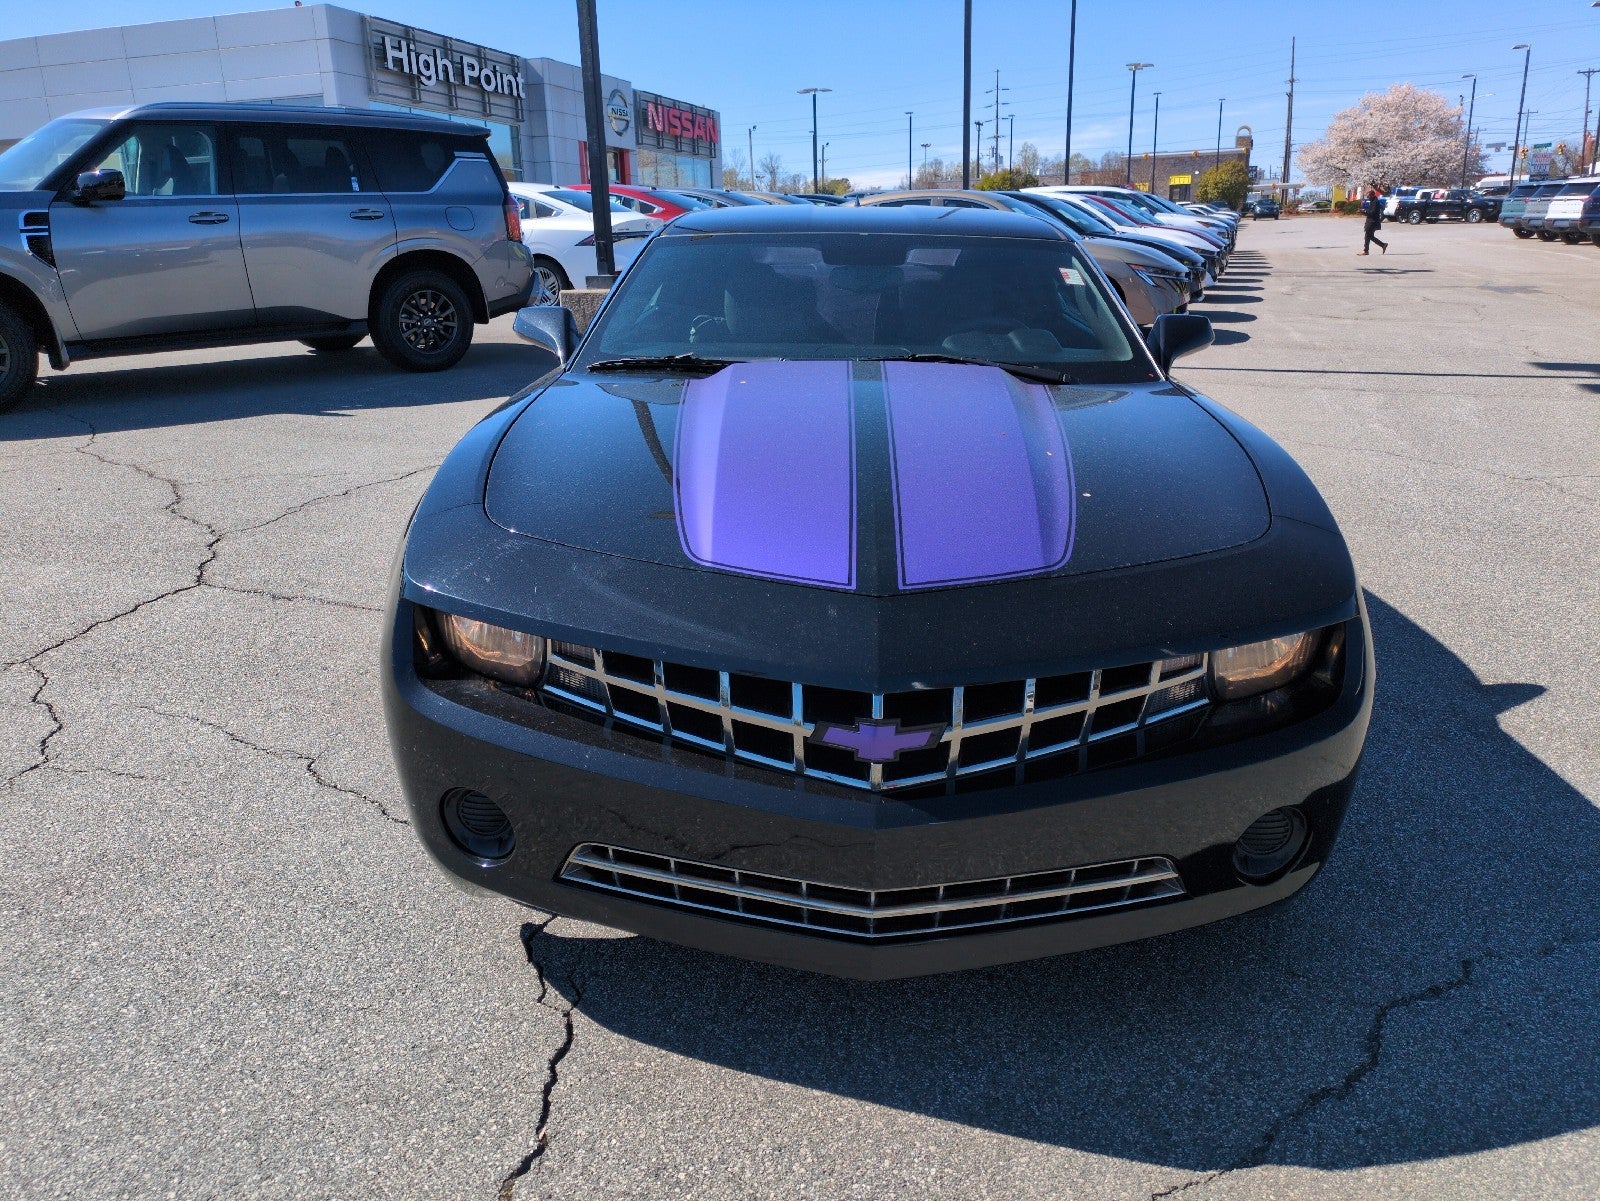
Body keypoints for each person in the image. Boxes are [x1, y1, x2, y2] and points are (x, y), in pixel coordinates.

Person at [1359, 187, 1388, 256]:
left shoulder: (1375, 202)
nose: (1368, 198)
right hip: (1371, 221)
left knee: (1368, 235)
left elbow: (1372, 213)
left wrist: (1364, 212)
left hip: (1373, 222)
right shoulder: (1373, 201)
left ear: (1372, 195)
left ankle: (1367, 250)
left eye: (1368, 196)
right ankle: (1382, 245)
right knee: (1369, 236)